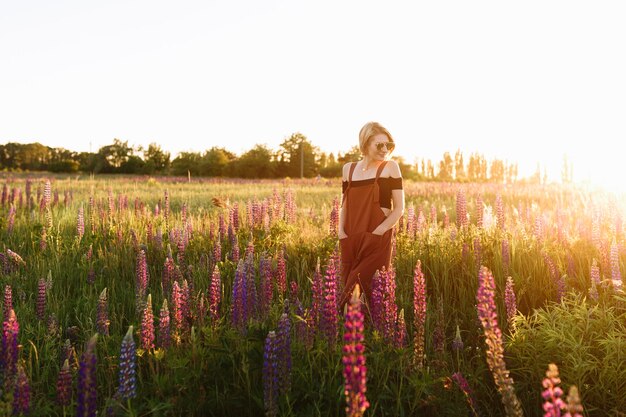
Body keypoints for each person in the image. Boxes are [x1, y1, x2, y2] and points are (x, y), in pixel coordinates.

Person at [338, 121, 405, 308]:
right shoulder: (348, 169)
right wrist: (341, 233)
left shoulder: (390, 167)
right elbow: (345, 204)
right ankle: (351, 334)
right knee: (349, 285)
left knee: (358, 289)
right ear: (365, 144)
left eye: (388, 145)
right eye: (379, 145)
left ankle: (337, 328)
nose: (385, 149)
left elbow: (399, 208)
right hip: (350, 236)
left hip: (376, 238)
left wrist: (379, 232)